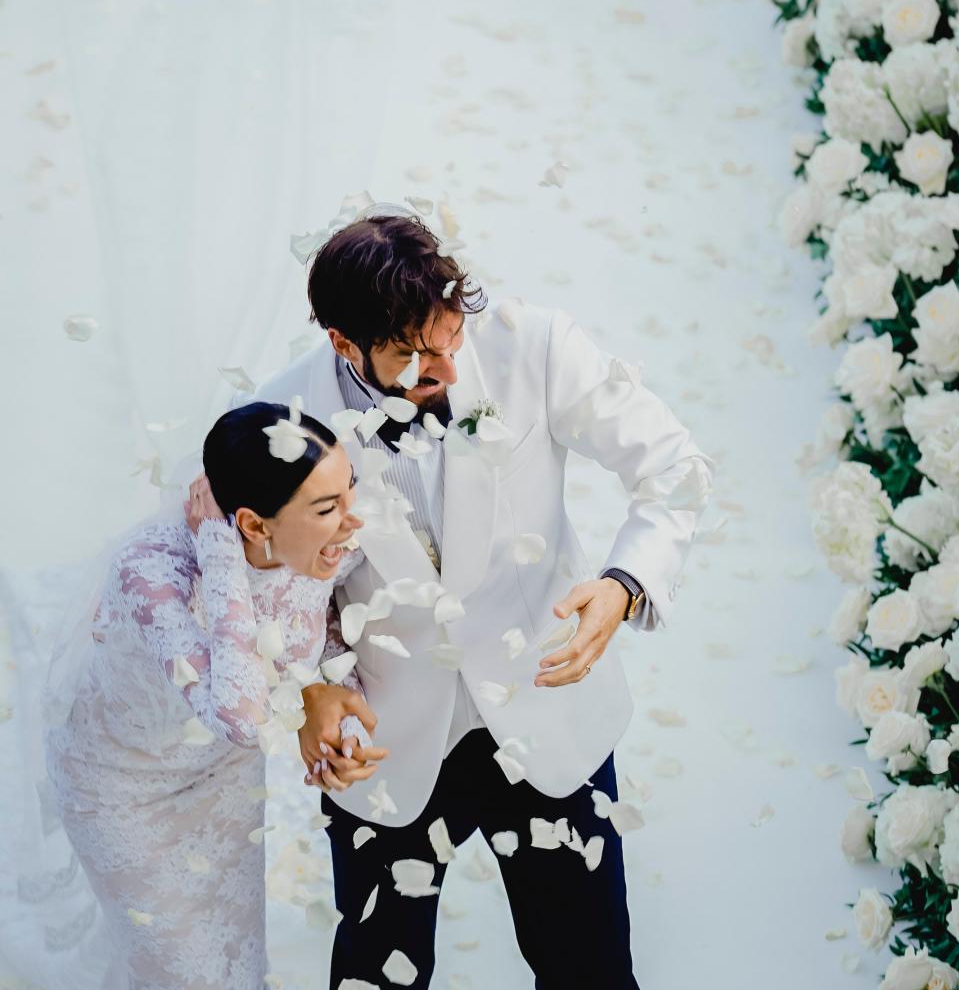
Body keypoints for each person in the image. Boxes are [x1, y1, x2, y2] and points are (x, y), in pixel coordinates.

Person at [231, 199, 718, 989]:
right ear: (342, 343)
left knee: (589, 969)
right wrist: (308, 693)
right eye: (416, 356)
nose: (449, 370)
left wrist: (625, 585)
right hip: (382, 744)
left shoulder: (537, 346)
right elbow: (255, 590)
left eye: (453, 339)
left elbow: (675, 466)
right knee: (375, 978)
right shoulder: (274, 422)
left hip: (548, 711)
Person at [41, 400, 387, 990]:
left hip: (222, 781)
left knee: (235, 959)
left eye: (349, 493)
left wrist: (339, 719)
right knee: (180, 970)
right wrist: (221, 556)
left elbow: (323, 635)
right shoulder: (151, 573)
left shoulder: (324, 546)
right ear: (252, 524)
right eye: (329, 508)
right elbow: (239, 716)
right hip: (122, 790)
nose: (353, 523)